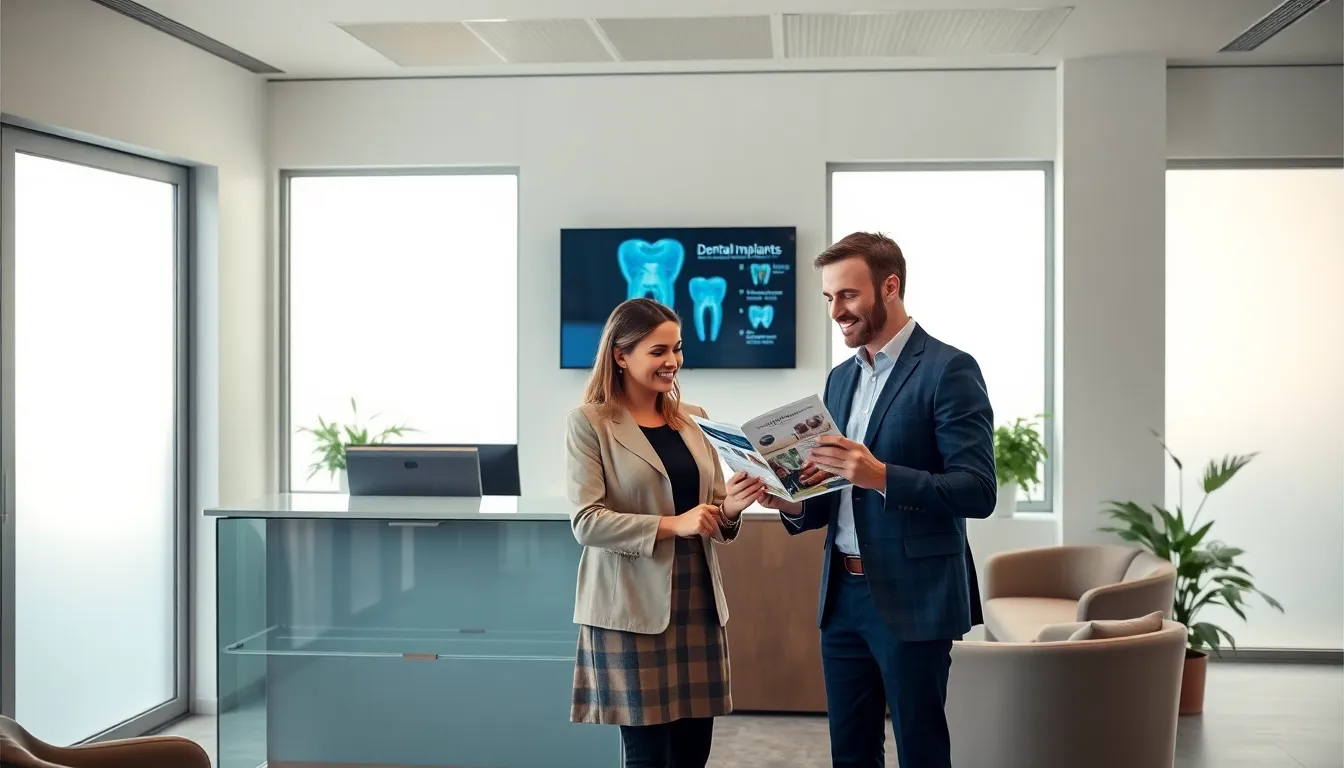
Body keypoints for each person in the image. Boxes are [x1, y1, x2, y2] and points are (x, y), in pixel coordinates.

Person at [736, 231, 995, 768]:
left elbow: (977, 490)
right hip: (843, 600)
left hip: (914, 596)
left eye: (848, 296)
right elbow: (830, 497)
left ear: (890, 287)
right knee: (850, 752)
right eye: (829, 298)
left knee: (921, 750)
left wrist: (879, 475)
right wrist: (787, 500)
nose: (837, 311)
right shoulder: (838, 381)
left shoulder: (949, 370)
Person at [565, 298, 758, 768]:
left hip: (697, 603)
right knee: (649, 756)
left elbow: (711, 509)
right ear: (620, 355)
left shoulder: (693, 417)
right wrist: (675, 523)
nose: (672, 361)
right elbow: (587, 521)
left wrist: (730, 506)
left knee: (694, 753)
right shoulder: (590, 423)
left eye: (677, 349)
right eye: (658, 351)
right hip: (631, 609)